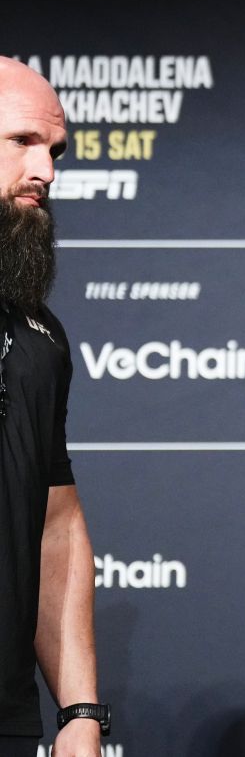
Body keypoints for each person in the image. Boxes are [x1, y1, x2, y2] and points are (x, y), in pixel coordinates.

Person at [0, 57, 107, 756]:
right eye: (22, 142)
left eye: (55, 152)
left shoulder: (41, 335)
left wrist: (80, 711)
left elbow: (55, 526)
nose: (45, 171)